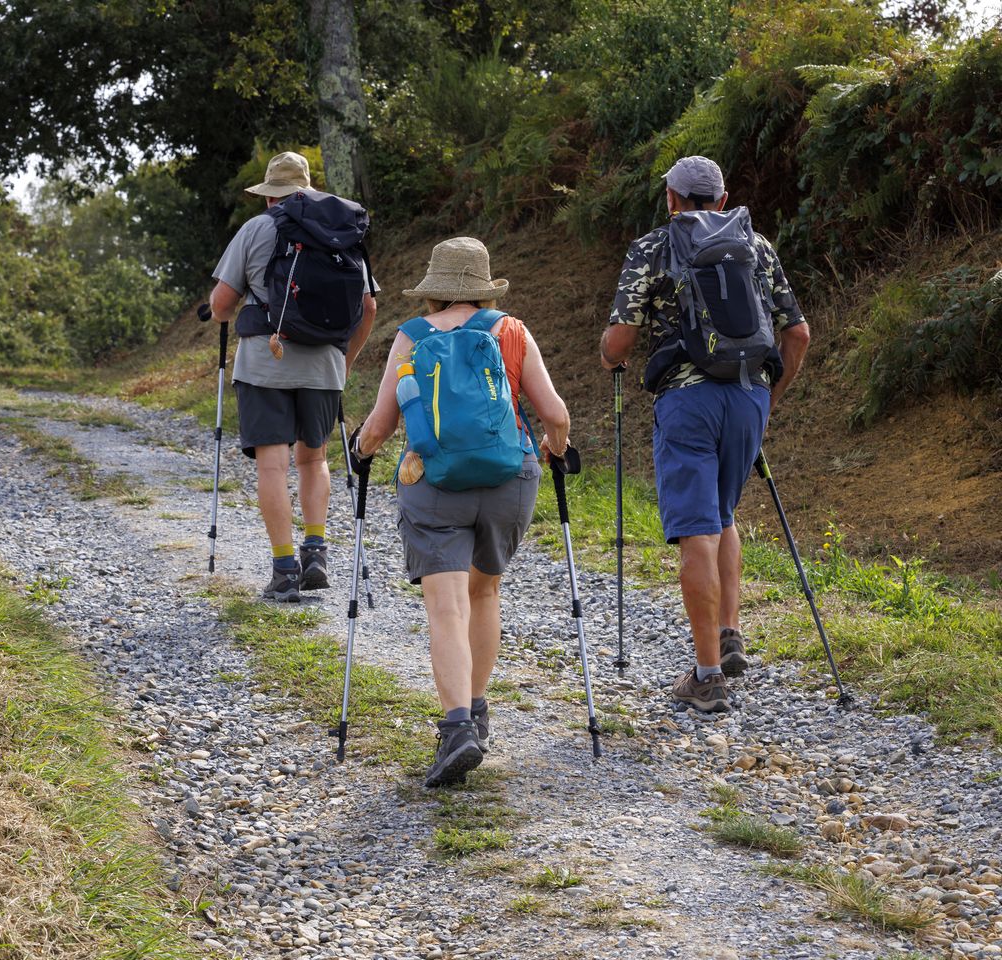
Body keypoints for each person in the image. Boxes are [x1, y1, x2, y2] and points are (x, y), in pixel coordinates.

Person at [351, 237, 570, 788]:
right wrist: (557, 449)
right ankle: (476, 708)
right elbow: (555, 415)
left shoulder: (412, 335)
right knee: (485, 592)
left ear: (434, 289)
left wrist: (360, 450)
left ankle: (456, 730)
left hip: (434, 481)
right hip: (508, 479)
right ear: (485, 286)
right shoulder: (512, 331)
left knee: (446, 606)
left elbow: (381, 425)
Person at [599, 155, 811, 712]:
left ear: (671, 198)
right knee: (722, 514)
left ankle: (707, 677)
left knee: (697, 530)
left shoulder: (653, 247)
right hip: (748, 396)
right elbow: (798, 334)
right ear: (722, 199)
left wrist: (608, 355)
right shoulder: (756, 246)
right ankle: (728, 631)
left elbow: (620, 341)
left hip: (687, 400)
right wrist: (766, 401)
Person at [208, 151, 377, 602]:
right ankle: (316, 551)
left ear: (270, 195)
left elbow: (222, 305)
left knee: (272, 465)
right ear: (306, 189)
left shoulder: (256, 229)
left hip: (264, 363)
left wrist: (223, 308)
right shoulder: (339, 229)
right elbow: (368, 307)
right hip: (324, 368)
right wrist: (344, 362)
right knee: (313, 460)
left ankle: (284, 570)